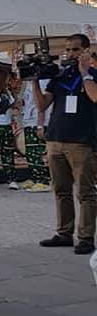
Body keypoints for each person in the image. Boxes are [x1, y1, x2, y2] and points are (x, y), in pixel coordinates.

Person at [34, 35, 97, 255]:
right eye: (68, 50)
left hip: (82, 142)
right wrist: (33, 80)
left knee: (86, 192)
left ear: (87, 50)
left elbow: (94, 97)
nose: (71, 54)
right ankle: (64, 233)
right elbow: (42, 105)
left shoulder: (92, 76)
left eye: (76, 49)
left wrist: (85, 71)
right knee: (61, 190)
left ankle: (86, 237)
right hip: (56, 139)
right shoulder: (60, 77)